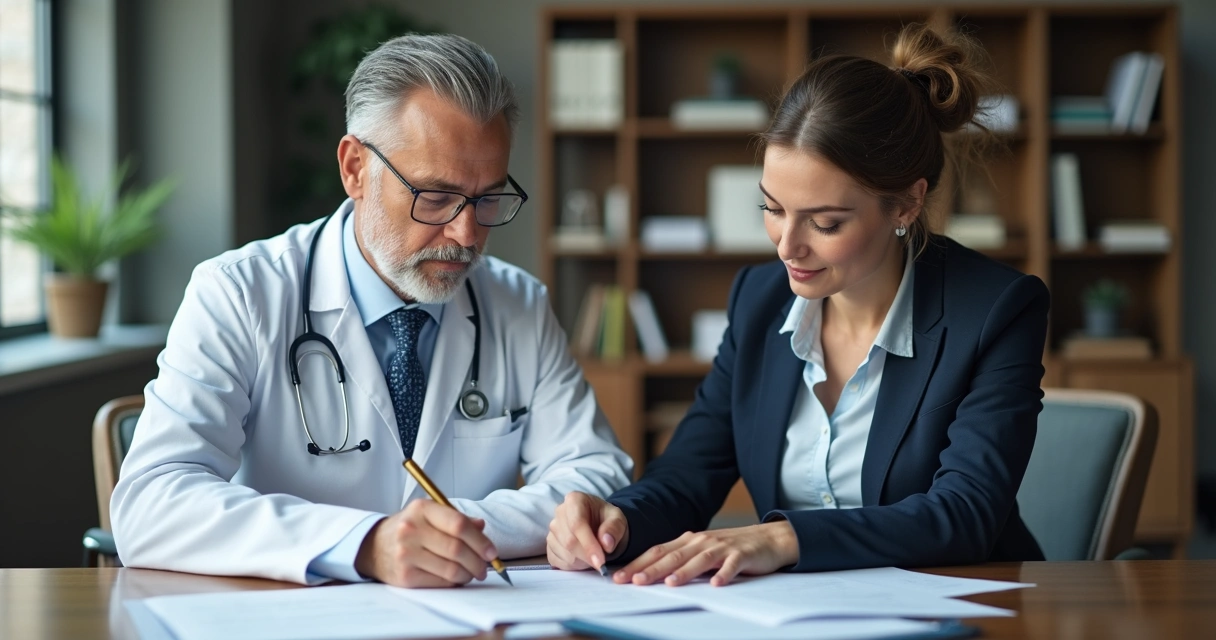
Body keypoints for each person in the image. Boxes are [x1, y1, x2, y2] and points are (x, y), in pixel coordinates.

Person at [111, 34, 632, 588]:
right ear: (355, 168)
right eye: (434, 196)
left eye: (488, 198)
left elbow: (596, 474)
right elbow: (153, 501)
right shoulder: (239, 294)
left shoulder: (518, 303)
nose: (467, 232)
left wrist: (448, 536)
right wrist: (364, 544)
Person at [547, 23, 1049, 586]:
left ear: (907, 203)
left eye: (826, 222)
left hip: (966, 607)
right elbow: (690, 472)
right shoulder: (759, 301)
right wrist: (618, 520)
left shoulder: (995, 310)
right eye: (773, 208)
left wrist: (783, 537)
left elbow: (965, 515)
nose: (787, 246)